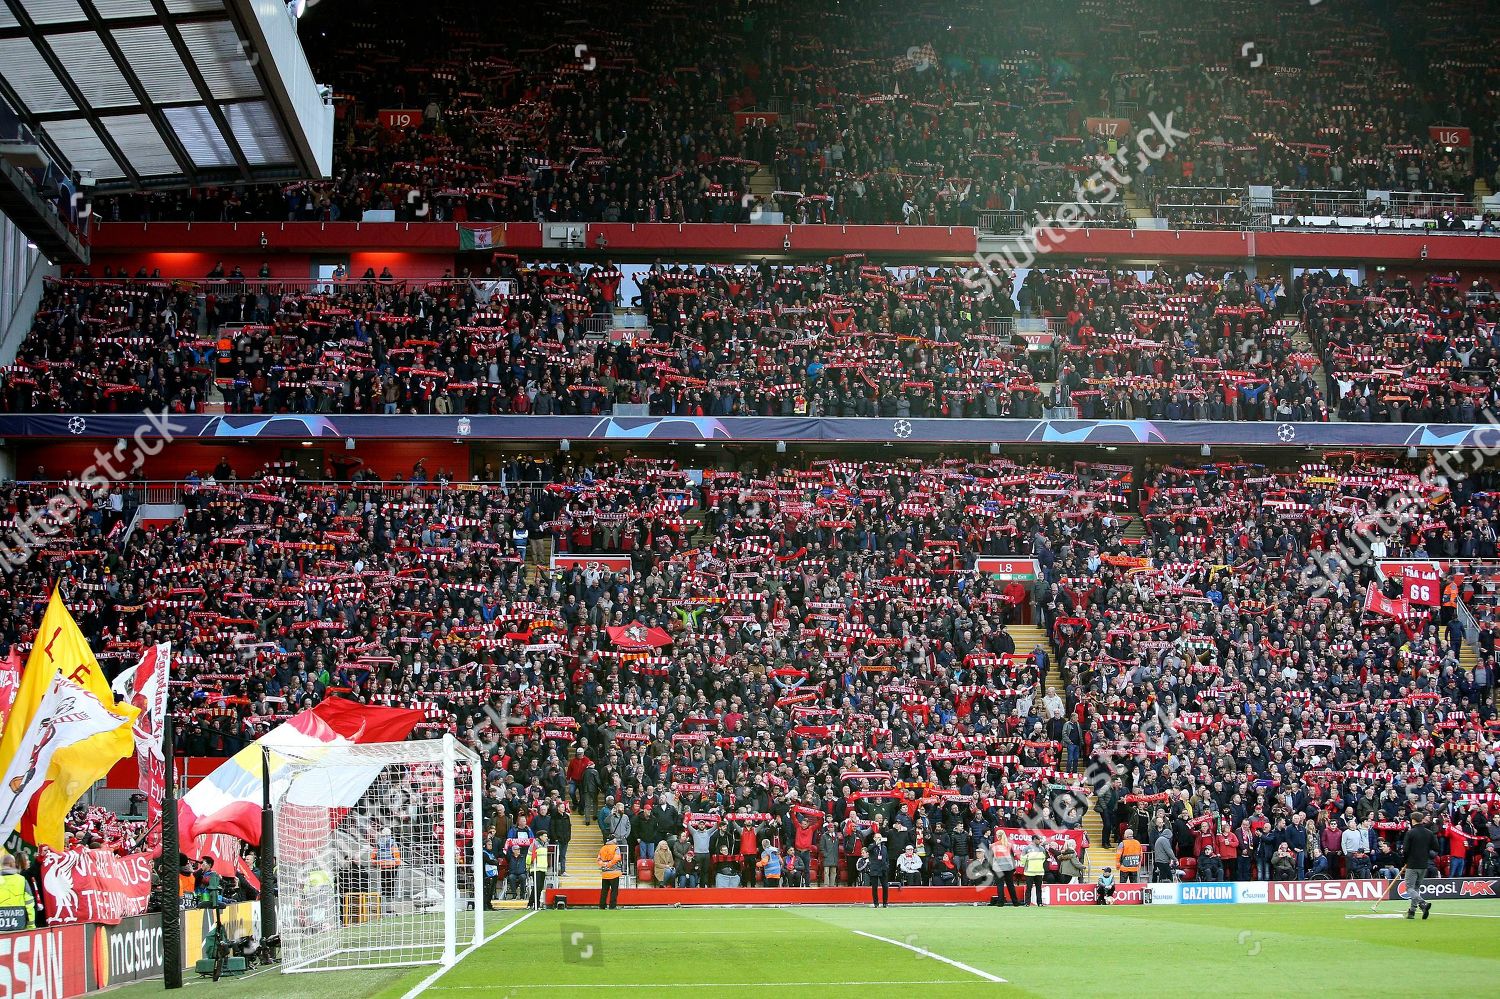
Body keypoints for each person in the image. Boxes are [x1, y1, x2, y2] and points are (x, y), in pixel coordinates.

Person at [1403, 811, 1439, 920]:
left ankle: (1422, 903)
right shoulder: (1429, 833)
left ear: (1413, 820)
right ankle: (1412, 912)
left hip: (1412, 864)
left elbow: (1405, 850)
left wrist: (1405, 861)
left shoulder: (1410, 833)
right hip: (1424, 864)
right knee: (1416, 888)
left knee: (1409, 888)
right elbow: (1436, 847)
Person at [372, 826, 402, 914]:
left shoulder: (378, 843)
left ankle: (384, 908)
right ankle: (389, 908)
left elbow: (373, 856)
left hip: (383, 868)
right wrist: (397, 864)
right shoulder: (392, 843)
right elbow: (396, 856)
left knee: (384, 888)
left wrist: (378, 863)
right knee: (390, 888)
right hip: (392, 867)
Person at [0, 854, 34, 928]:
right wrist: (31, 926)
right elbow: (29, 905)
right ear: (13, 864)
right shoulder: (22, 880)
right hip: (19, 924)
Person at [991, 830, 1021, 906]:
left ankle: (1000, 903)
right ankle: (1015, 902)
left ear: (997, 836)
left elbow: (991, 858)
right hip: (1008, 868)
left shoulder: (993, 845)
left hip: (998, 868)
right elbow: (1012, 857)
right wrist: (1014, 868)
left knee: (1000, 885)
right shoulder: (1009, 845)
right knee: (1010, 885)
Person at [598, 836, 623, 910]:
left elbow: (598, 859)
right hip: (614, 872)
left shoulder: (602, 848)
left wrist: (604, 864)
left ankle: (602, 905)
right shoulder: (616, 848)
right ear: (613, 840)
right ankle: (612, 905)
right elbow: (617, 858)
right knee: (614, 890)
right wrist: (609, 864)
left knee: (604, 890)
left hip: (605, 873)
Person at [865, 832, 890, 907]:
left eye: (880, 837)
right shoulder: (871, 846)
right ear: (874, 838)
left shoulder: (884, 847)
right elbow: (869, 850)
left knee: (885, 886)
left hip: (883, 869)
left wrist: (887, 865)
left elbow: (886, 857)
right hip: (875, 869)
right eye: (877, 837)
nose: (879, 839)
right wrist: (876, 843)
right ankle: (876, 903)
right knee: (874, 887)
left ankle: (885, 903)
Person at [1022, 836, 1047, 906]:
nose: (1040, 841)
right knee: (1028, 888)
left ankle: (1040, 903)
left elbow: (1043, 858)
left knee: (1039, 888)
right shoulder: (1026, 849)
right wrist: (1026, 866)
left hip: (1039, 871)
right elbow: (1022, 859)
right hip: (1029, 872)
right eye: (1039, 840)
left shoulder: (1042, 848)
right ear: (1034, 840)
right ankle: (1027, 903)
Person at [527, 831, 550, 909]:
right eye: (545, 836)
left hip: (543, 869)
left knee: (539, 887)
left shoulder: (545, 845)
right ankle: (535, 903)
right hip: (535, 868)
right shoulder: (534, 845)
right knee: (537, 887)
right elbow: (529, 856)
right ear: (540, 837)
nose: (546, 838)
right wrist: (528, 866)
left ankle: (531, 903)